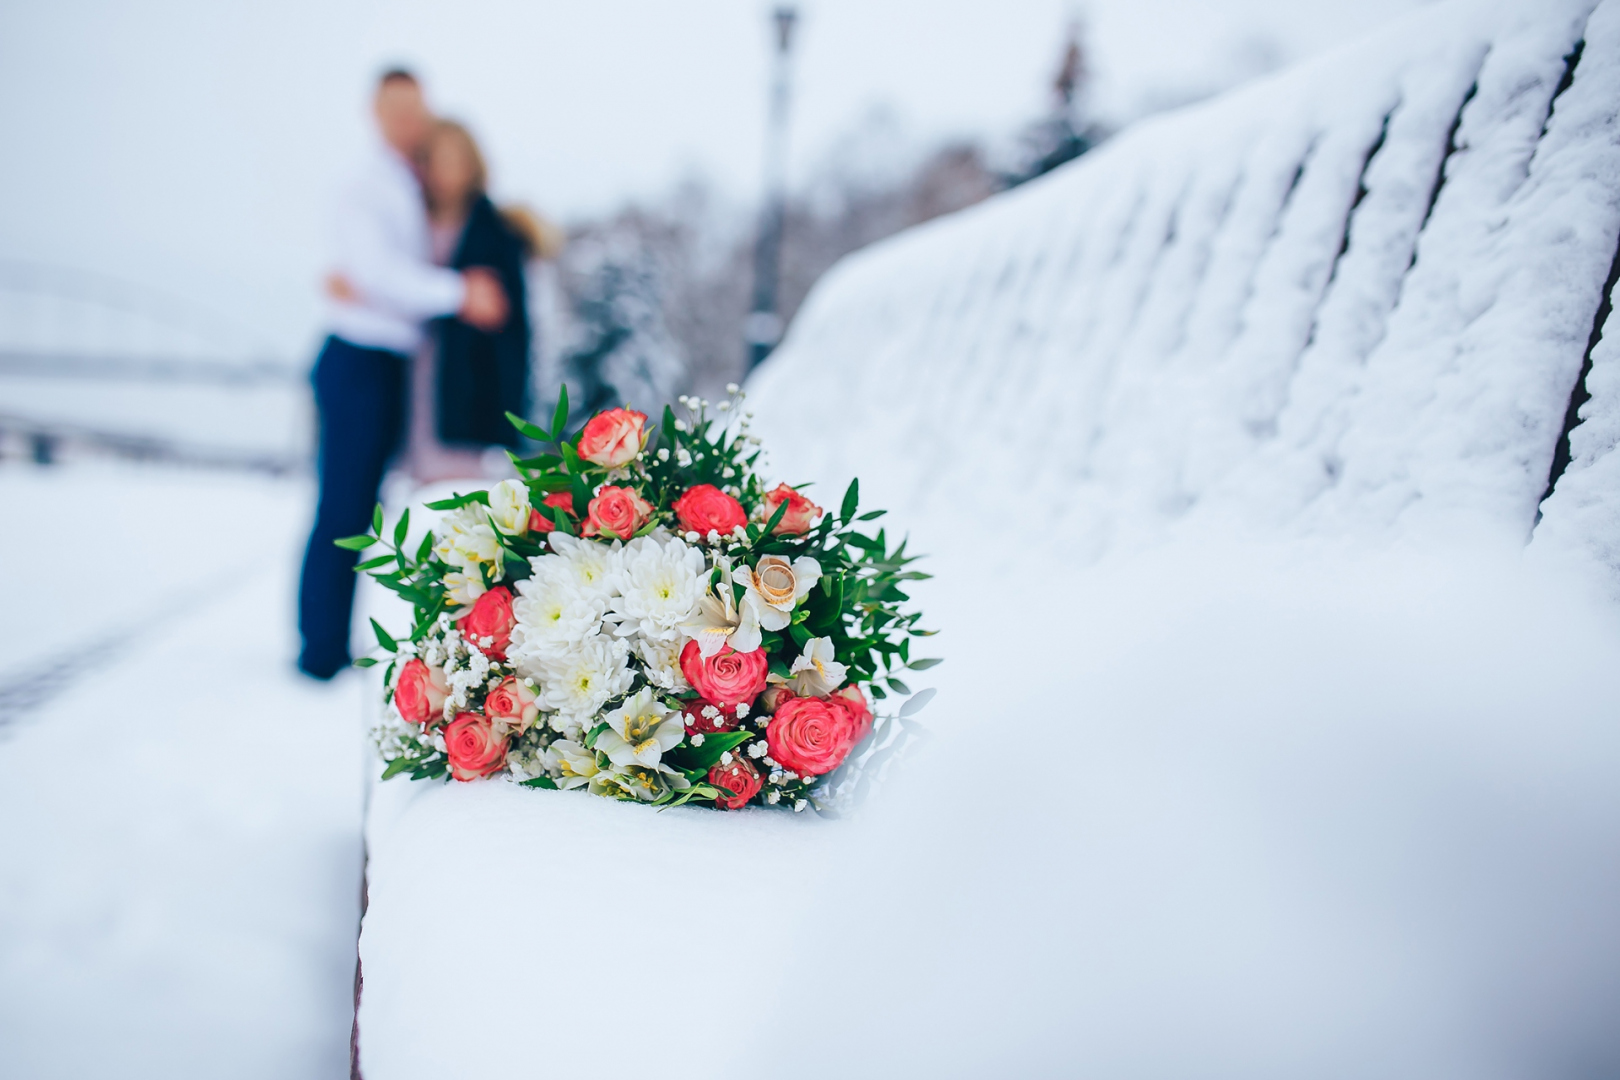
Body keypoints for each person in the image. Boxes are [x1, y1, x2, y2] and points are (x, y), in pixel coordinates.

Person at [296, 69, 508, 681]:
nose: (408, 123)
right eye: (396, 110)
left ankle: (331, 642)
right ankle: (320, 652)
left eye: (416, 110)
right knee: (342, 506)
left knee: (362, 508)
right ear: (374, 112)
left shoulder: (415, 184)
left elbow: (379, 278)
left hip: (391, 365)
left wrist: (363, 287)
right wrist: (458, 291)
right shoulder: (365, 185)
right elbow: (381, 273)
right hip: (358, 360)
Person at [403, 119, 537, 483]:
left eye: (455, 159)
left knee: (455, 486)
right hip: (410, 365)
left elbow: (512, 326)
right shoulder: (407, 220)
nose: (445, 171)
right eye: (436, 159)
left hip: (463, 381)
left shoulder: (495, 231)